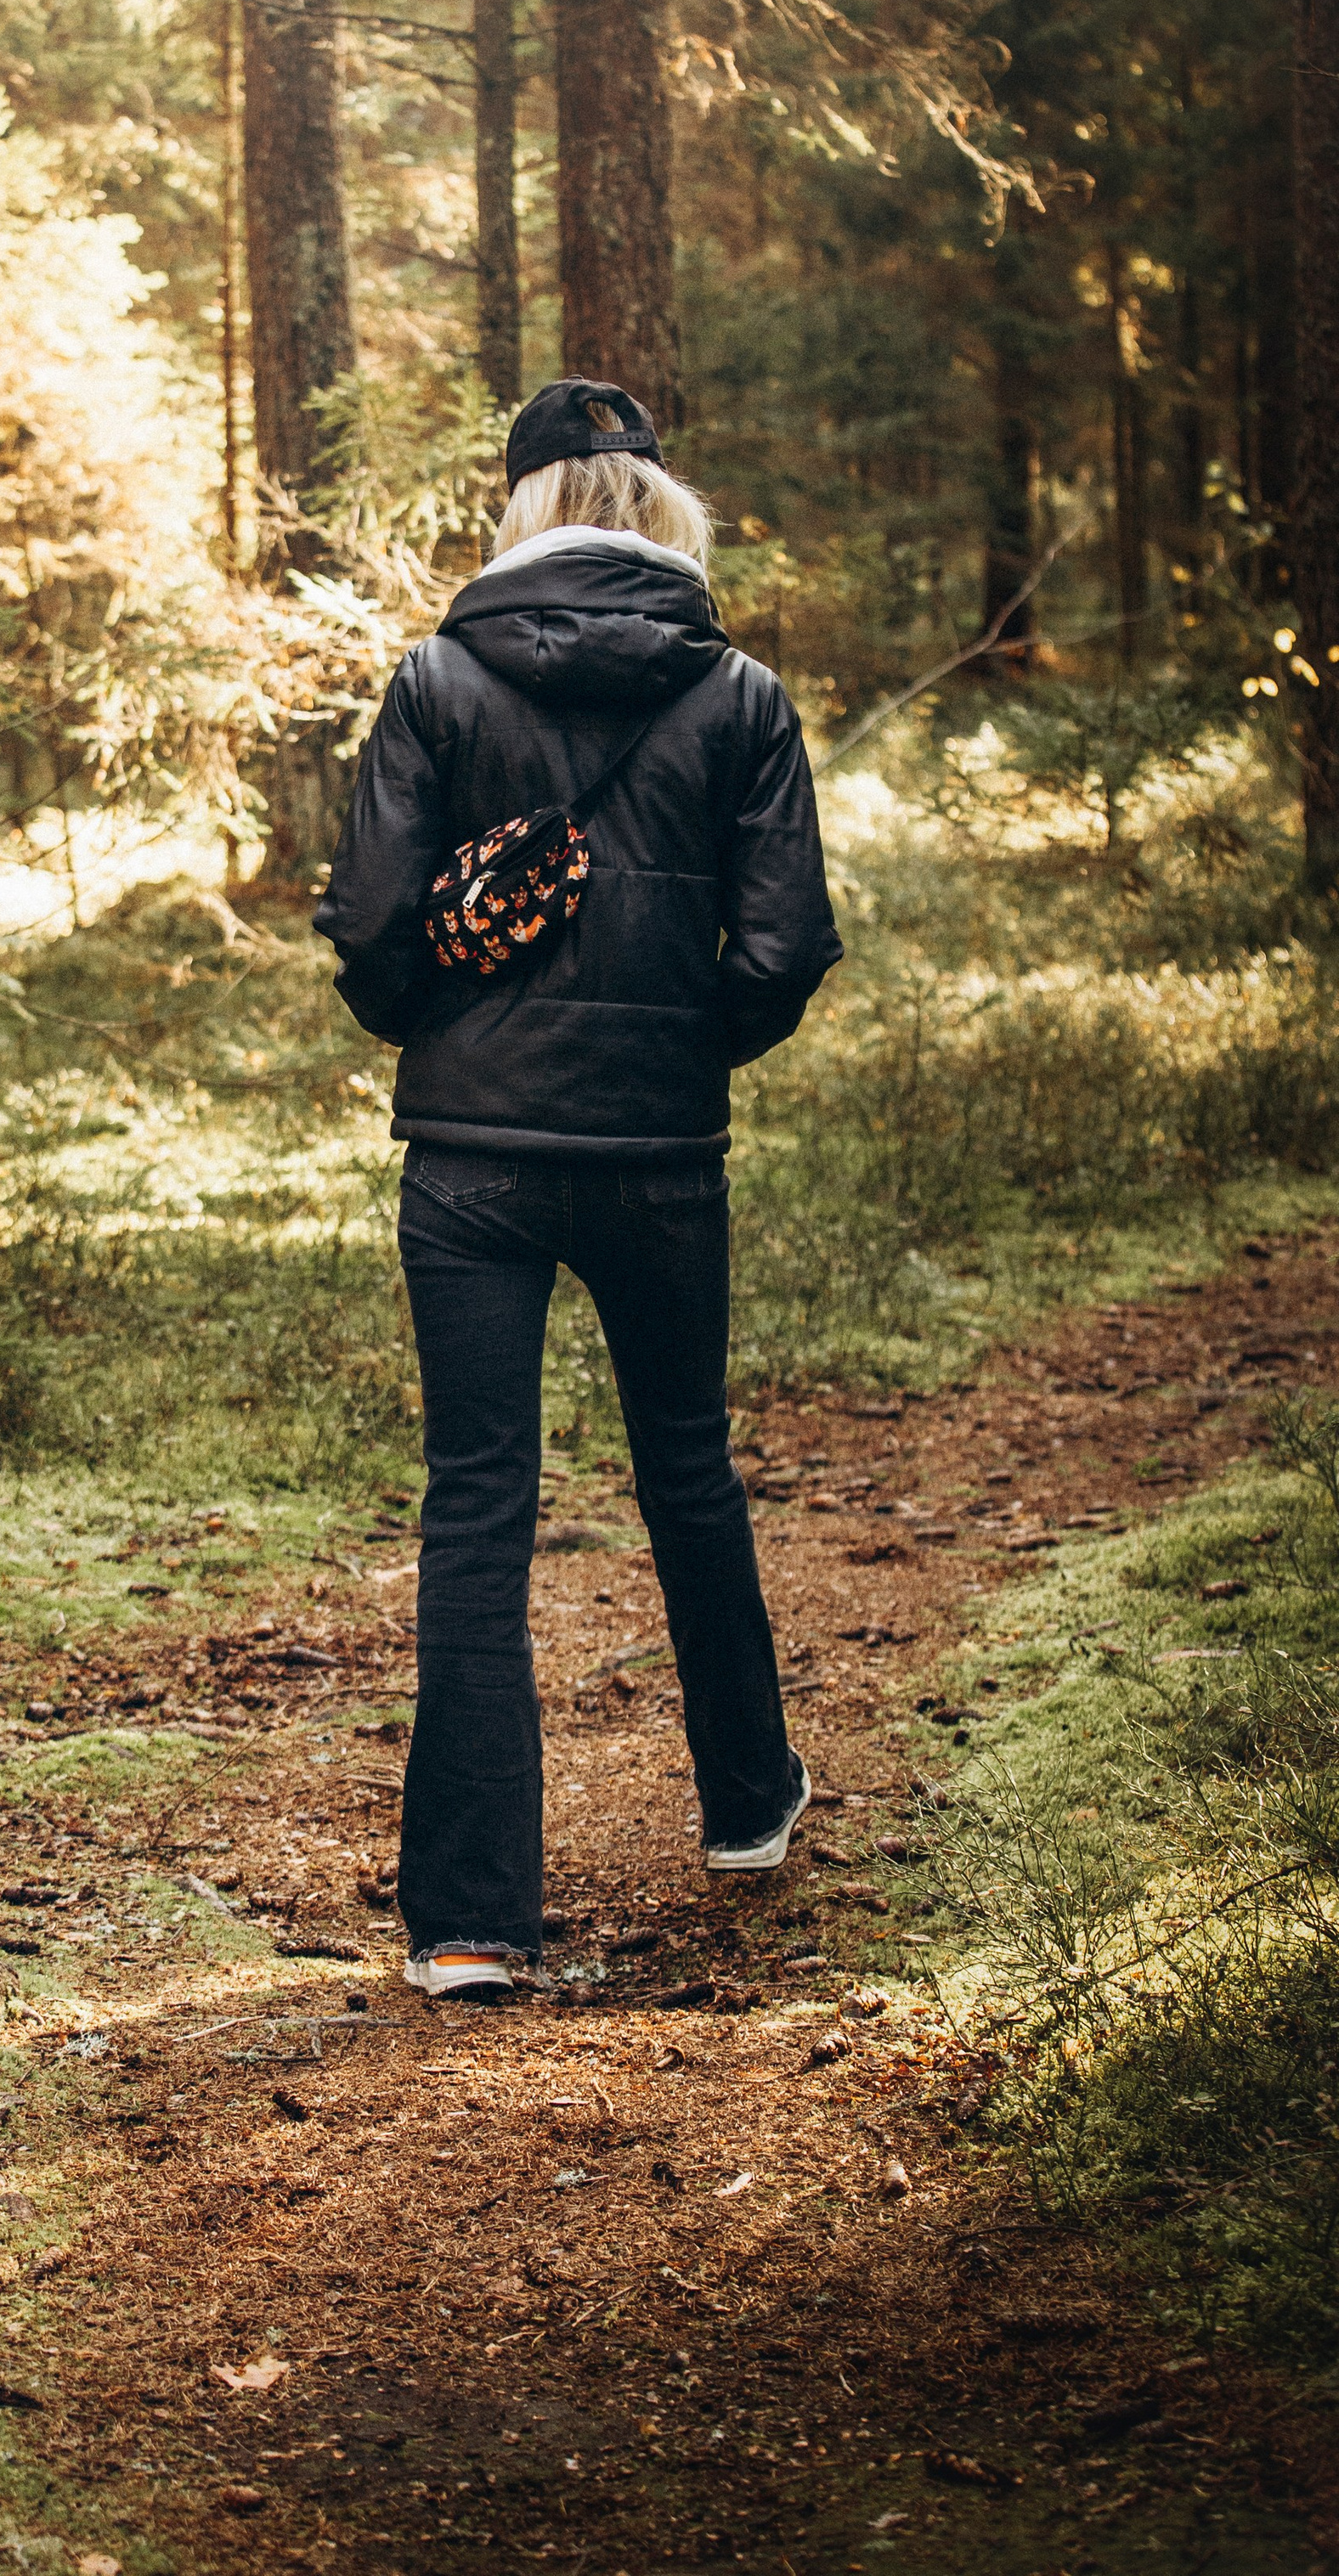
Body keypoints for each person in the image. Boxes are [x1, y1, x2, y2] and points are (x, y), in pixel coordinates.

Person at [314, 380, 843, 2000]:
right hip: (663, 1161)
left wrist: (446, 1026)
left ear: (526, 510)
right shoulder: (741, 697)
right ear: (658, 510)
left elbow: (369, 932)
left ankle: (473, 1922)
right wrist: (680, 1055)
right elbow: (785, 947)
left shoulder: (433, 680)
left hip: (469, 1167)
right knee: (690, 1477)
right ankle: (748, 1811)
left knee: (479, 1507)